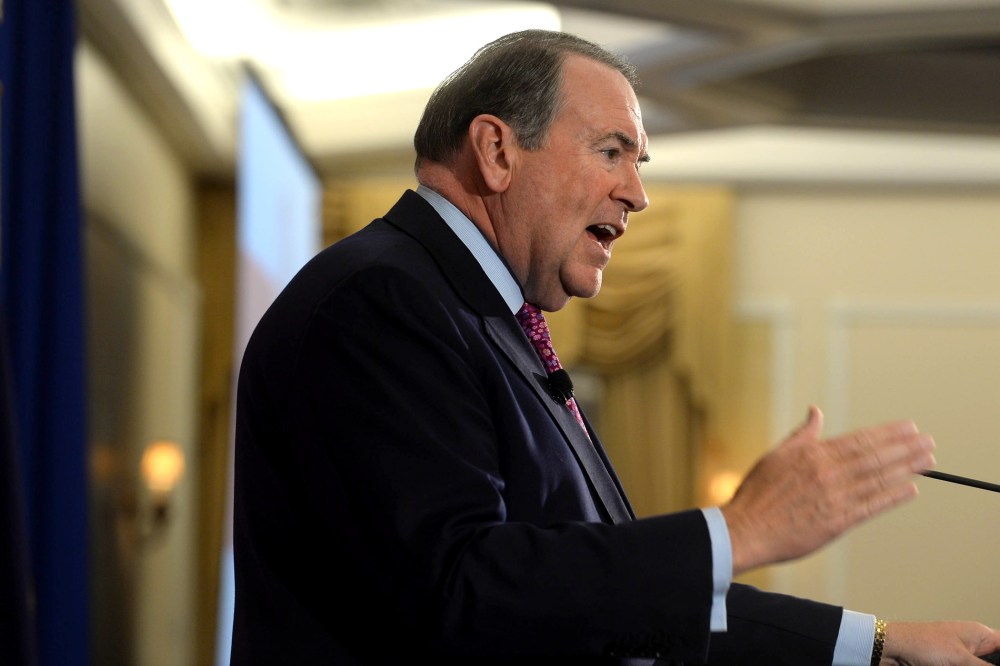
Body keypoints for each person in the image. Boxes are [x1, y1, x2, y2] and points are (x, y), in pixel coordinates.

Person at [230, 29, 1000, 665]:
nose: (637, 192)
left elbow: (610, 602)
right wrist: (741, 530)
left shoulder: (489, 321)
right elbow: (457, 596)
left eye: (639, 163)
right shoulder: (380, 302)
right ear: (496, 151)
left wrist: (880, 646)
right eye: (611, 152)